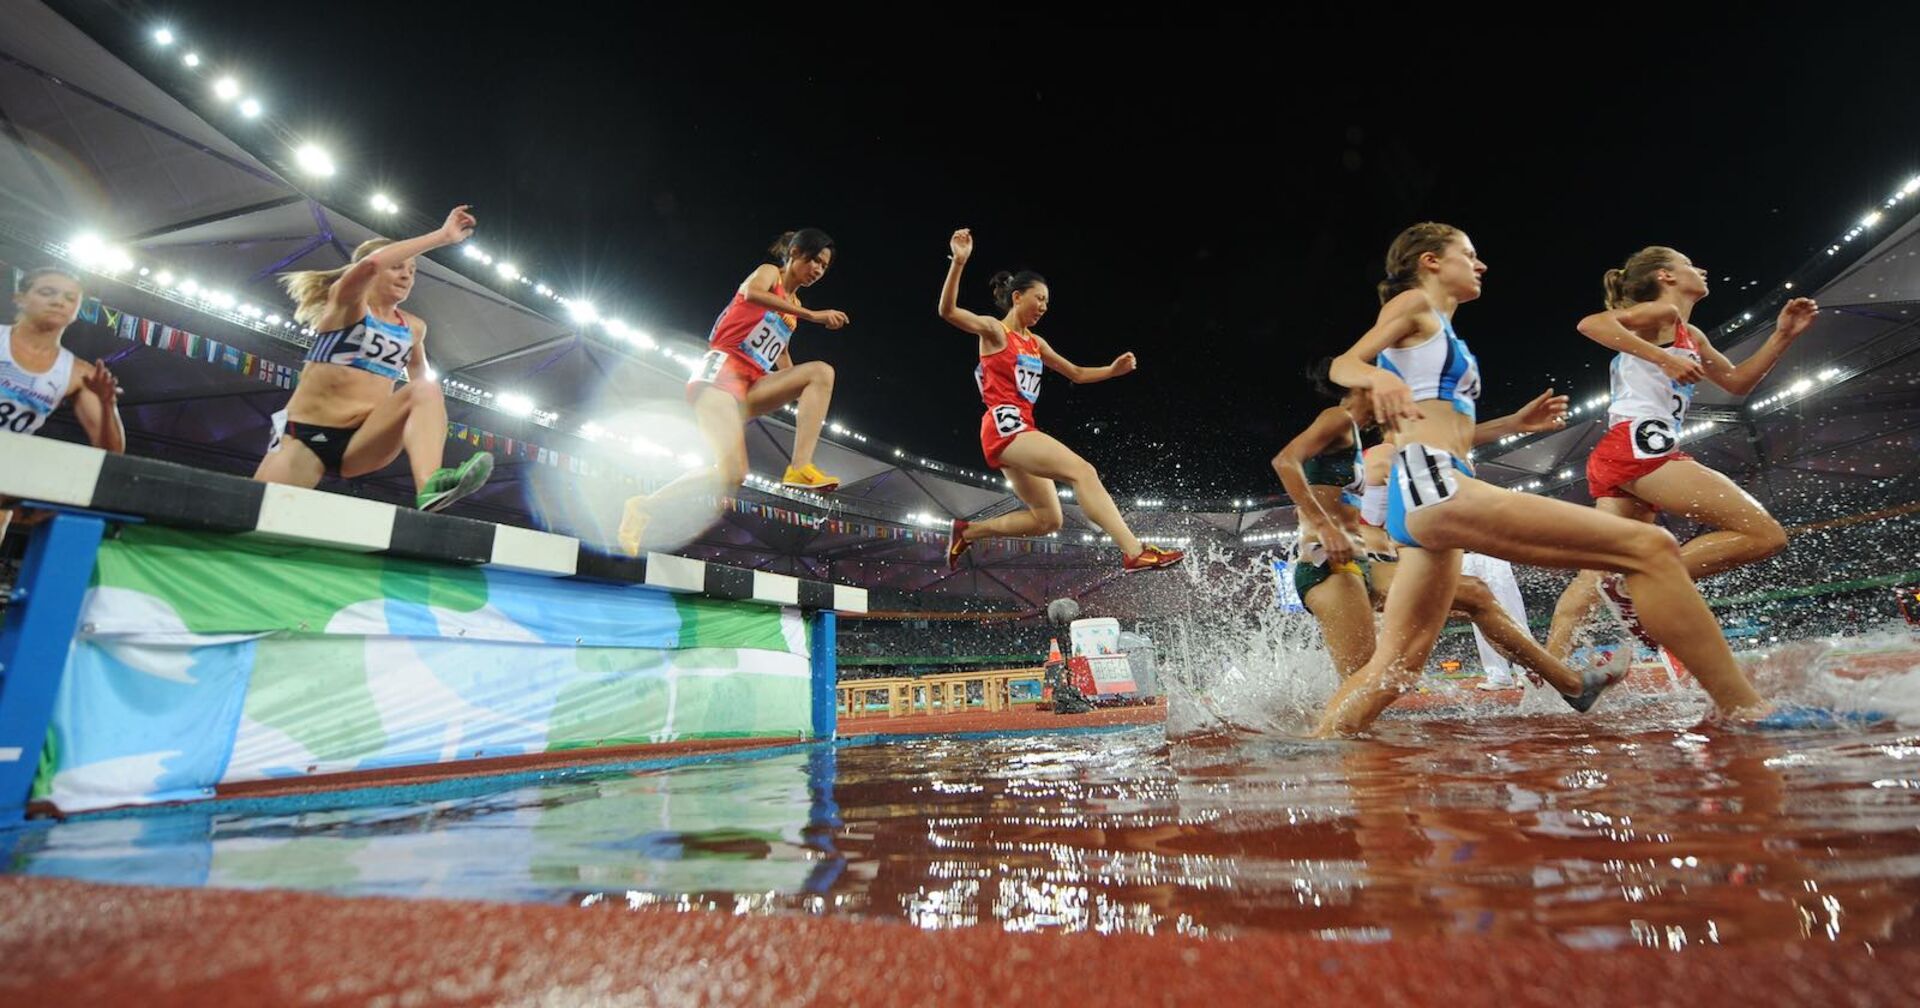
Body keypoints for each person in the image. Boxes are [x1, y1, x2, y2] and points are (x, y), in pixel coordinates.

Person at [1313, 222, 1777, 736]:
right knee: (1651, 547)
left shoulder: (1440, 329)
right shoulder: (1412, 306)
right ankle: (1743, 708)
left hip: (1427, 492)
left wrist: (1514, 425)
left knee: (1394, 670)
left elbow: (1443, 423)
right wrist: (1375, 375)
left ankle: (1313, 749)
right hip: (1434, 486)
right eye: (1469, 254)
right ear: (1430, 262)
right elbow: (1344, 365)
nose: (1480, 264)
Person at [1544, 246, 1817, 658]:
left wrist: (1782, 335)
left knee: (1597, 571)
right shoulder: (1662, 316)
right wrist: (1662, 359)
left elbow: (1737, 382)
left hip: (1621, 452)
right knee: (1764, 535)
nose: (1702, 269)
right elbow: (1590, 325)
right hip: (1641, 446)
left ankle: (1551, 675)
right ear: (1665, 277)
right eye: (1690, 263)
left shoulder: (1692, 334)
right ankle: (1635, 585)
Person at [937, 228, 1182, 573]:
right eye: (1039, 299)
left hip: (1021, 428)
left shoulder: (1037, 343)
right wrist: (958, 262)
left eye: (1048, 303)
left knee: (1048, 519)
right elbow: (947, 311)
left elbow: (1077, 374)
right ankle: (1133, 550)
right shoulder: (995, 331)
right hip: (1005, 426)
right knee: (1083, 472)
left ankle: (969, 531)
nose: (1043, 307)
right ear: (1017, 296)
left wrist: (1111, 371)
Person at [618, 229, 848, 555]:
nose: (817, 271)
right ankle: (643, 506)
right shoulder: (770, 274)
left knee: (822, 373)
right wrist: (812, 315)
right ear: (795, 252)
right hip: (719, 374)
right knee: (734, 473)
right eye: (814, 261)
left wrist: (812, 397)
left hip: (751, 383)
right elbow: (752, 294)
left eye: (824, 267)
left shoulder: (792, 310)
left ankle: (799, 466)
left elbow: (782, 359)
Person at [255, 206, 493, 513]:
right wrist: (441, 237)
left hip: (365, 439)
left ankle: (431, 486)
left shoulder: (414, 327)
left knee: (427, 389)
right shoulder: (346, 304)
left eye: (413, 270)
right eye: (398, 267)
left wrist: (424, 428)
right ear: (376, 272)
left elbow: (422, 387)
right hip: (304, 436)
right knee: (254, 513)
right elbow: (369, 265)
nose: (407, 275)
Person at [2, 266, 125, 541]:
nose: (59, 301)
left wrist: (107, 407)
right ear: (19, 298)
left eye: (70, 298)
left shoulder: (81, 373)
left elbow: (110, 452)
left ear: (78, 308)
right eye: (48, 292)